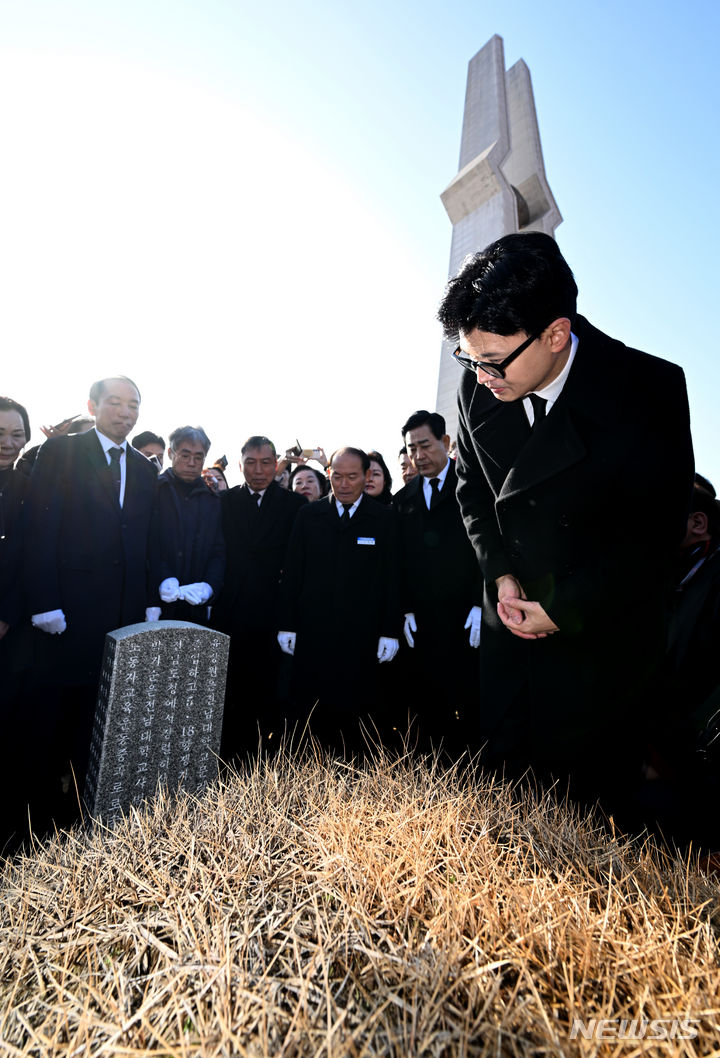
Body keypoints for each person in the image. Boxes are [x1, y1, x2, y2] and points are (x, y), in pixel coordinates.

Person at [438, 231, 694, 811]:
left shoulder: (649, 390)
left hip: (599, 652)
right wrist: (499, 573)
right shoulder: (478, 380)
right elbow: (472, 488)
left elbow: (653, 535)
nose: (480, 377)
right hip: (509, 639)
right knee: (505, 813)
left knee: (588, 833)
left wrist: (563, 608)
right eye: (468, 358)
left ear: (556, 334)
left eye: (493, 361)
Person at [22, 375, 158, 816]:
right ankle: (40, 820)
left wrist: (145, 604)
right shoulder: (61, 452)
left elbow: (140, 539)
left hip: (119, 616)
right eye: (115, 403)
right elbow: (40, 529)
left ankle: (87, 814)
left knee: (99, 718)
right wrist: (44, 602)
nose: (125, 412)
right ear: (93, 405)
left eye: (133, 405)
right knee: (51, 720)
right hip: (64, 614)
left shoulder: (142, 467)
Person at [277, 447, 400, 753]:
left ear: (366, 476)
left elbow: (393, 578)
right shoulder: (309, 516)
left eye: (352, 477)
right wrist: (287, 624)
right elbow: (293, 572)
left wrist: (390, 629)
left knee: (358, 714)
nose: (344, 484)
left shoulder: (383, 519)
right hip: (313, 632)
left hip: (362, 636)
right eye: (337, 477)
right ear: (329, 474)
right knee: (310, 712)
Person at [393, 410, 483, 751]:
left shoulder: (473, 487)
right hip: (423, 624)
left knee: (470, 705)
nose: (418, 455)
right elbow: (398, 562)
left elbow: (486, 549)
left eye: (425, 445)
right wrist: (405, 609)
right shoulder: (403, 500)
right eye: (411, 448)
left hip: (467, 619)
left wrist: (480, 601)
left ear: (446, 442)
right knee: (426, 709)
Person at [212, 435, 307, 757]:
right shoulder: (223, 502)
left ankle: (265, 762)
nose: (258, 470)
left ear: (277, 463)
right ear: (240, 465)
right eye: (251, 463)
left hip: (274, 611)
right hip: (231, 611)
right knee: (231, 691)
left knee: (271, 693)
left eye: (266, 462)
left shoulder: (295, 505)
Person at [148, 426, 225, 626]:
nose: (192, 463)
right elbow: (144, 543)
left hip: (196, 607)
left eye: (198, 457)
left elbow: (218, 550)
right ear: (171, 453)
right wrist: (162, 577)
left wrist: (210, 586)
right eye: (185, 455)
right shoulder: (152, 490)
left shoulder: (212, 499)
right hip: (154, 604)